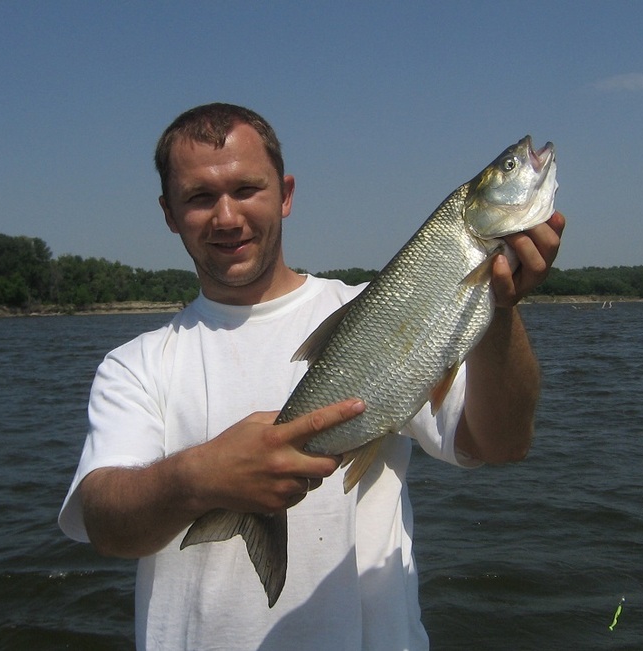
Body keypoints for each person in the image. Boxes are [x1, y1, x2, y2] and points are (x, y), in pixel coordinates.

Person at [59, 102, 565, 650]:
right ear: (169, 213)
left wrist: (500, 308)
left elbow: (502, 443)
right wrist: (199, 476)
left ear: (286, 194)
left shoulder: (380, 307)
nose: (227, 217)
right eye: (200, 197)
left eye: (247, 189)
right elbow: (105, 525)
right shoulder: (135, 364)